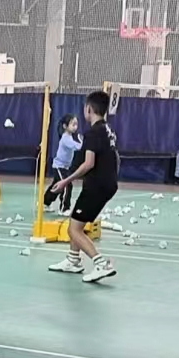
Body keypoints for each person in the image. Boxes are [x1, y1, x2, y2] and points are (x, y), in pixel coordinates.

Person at [47, 90, 120, 284]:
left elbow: (88, 164)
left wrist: (65, 181)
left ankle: (101, 263)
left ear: (89, 109)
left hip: (97, 185)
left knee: (74, 230)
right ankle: (73, 260)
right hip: (107, 184)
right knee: (76, 220)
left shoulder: (93, 133)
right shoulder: (108, 130)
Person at [41, 115, 81, 214]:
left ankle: (45, 203)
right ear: (65, 126)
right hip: (59, 166)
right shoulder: (65, 138)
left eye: (76, 124)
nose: (75, 127)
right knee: (67, 185)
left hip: (65, 167)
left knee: (56, 185)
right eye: (73, 124)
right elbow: (76, 146)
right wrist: (84, 145)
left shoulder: (70, 137)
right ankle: (64, 208)